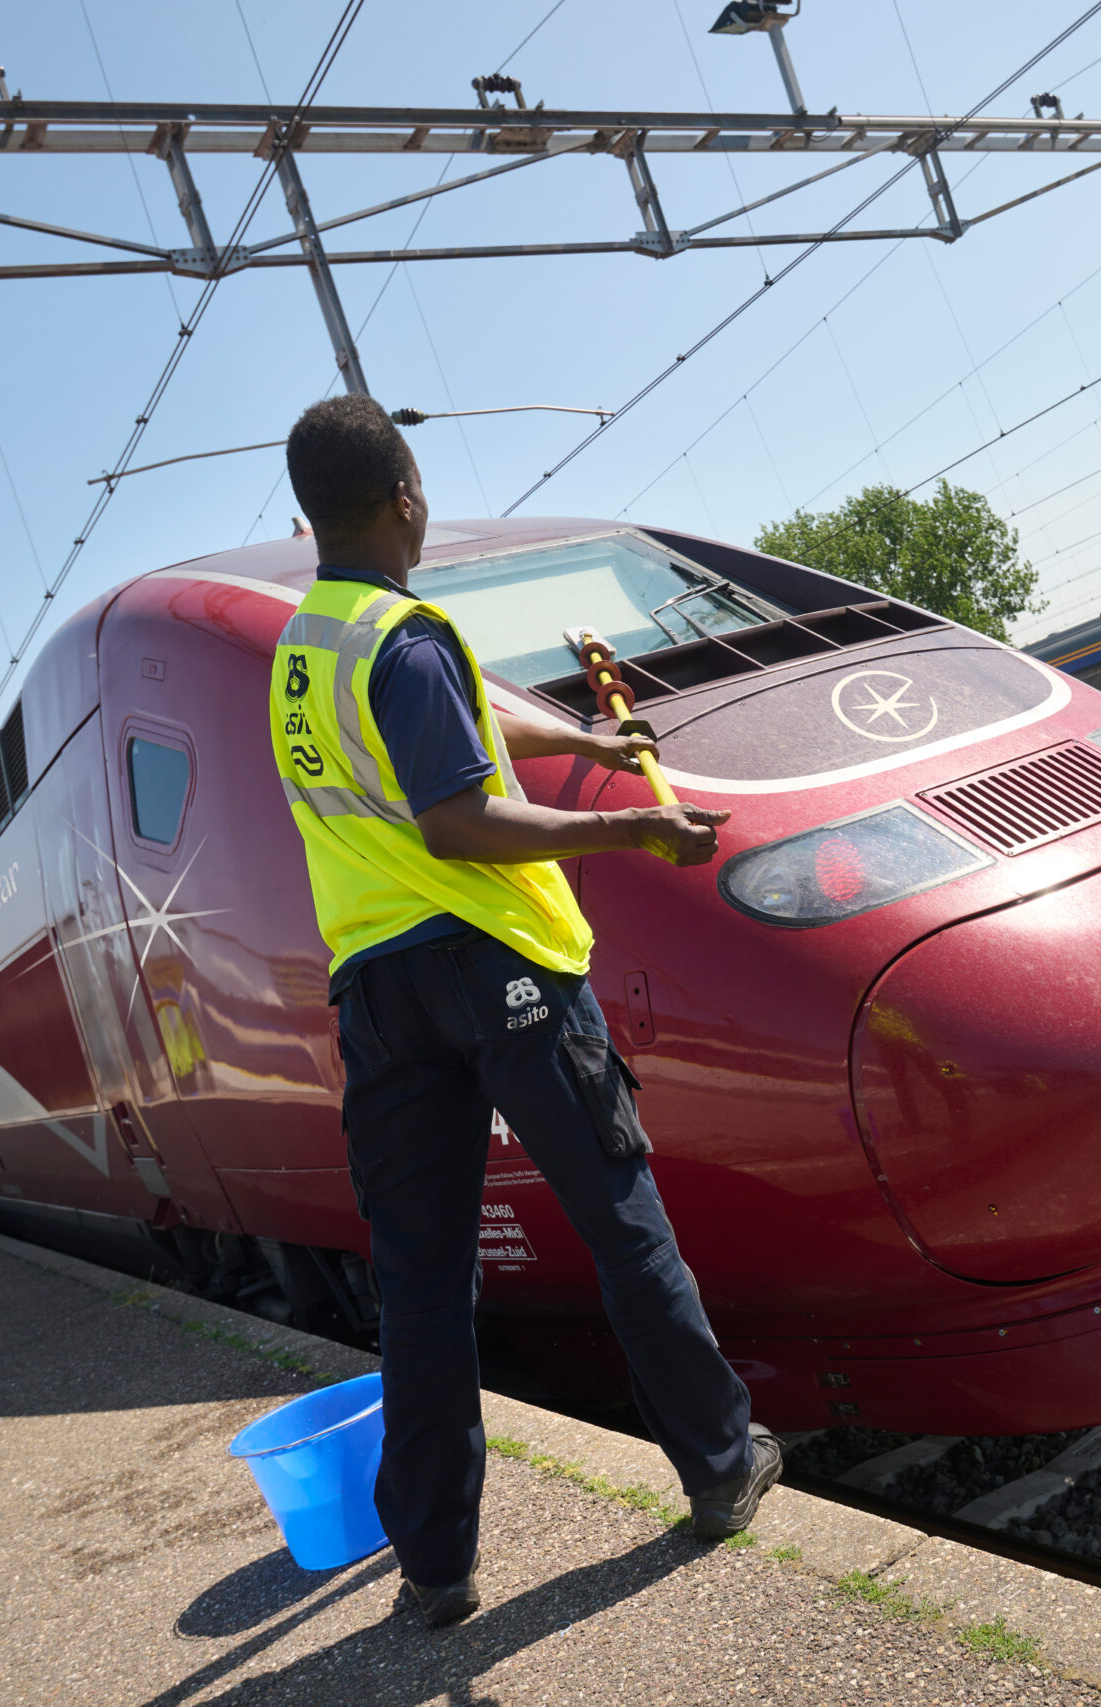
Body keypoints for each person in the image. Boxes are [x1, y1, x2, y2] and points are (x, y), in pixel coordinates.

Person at [269, 394, 780, 1629]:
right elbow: (455, 814)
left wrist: (585, 746)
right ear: (404, 495)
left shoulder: (307, 649)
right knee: (618, 1219)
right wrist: (633, 822)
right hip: (500, 963)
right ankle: (720, 1468)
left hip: (380, 992)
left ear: (310, 515)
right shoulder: (409, 637)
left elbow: (462, 727)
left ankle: (435, 1568)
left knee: (422, 1281)